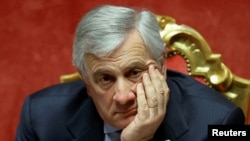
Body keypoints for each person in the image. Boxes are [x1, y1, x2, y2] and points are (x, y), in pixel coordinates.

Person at [15, 5, 245, 141]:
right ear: (86, 83)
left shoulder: (219, 123)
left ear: (162, 67)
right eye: (105, 78)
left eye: (135, 72)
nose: (123, 96)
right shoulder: (41, 118)